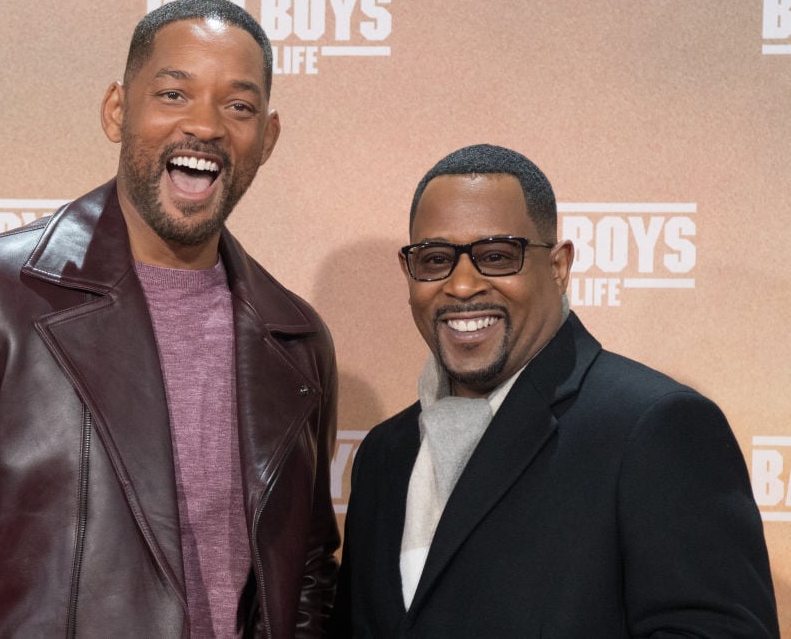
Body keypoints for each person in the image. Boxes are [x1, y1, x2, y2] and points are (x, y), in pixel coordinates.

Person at [0, 0, 339, 637]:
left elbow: (305, 580)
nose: (206, 126)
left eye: (238, 106)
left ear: (266, 140)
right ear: (117, 111)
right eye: (173, 95)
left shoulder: (294, 341)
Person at [330, 144, 778, 637]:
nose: (461, 286)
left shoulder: (654, 429)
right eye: (436, 259)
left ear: (559, 267)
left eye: (496, 256)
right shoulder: (382, 457)